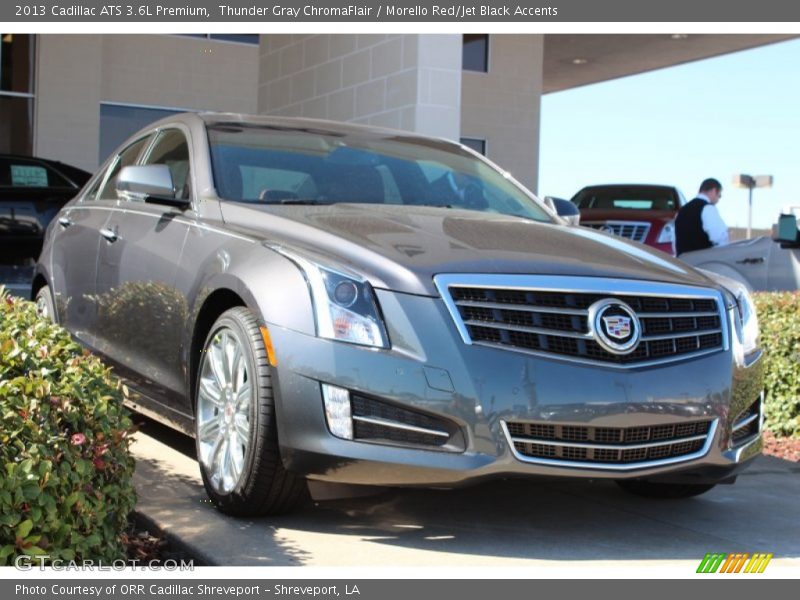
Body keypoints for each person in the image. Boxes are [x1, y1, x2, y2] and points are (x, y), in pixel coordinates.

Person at [674, 178, 729, 255]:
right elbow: (719, 238)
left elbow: (674, 241)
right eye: (719, 195)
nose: (718, 199)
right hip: (703, 261)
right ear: (714, 191)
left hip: (682, 262)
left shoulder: (681, 211)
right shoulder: (708, 208)